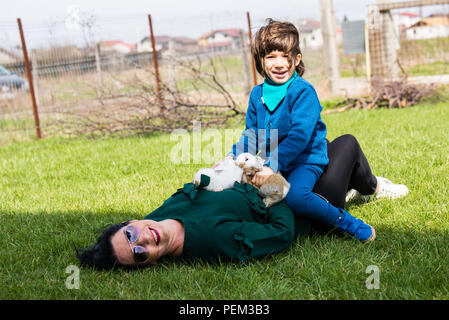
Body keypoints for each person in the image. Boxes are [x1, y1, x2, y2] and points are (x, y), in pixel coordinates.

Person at [77, 134, 408, 270]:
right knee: (345, 145)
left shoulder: (158, 217)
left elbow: (203, 185)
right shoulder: (213, 243)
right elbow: (281, 234)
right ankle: (371, 187)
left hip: (259, 175)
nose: (144, 240)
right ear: (147, 263)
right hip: (302, 205)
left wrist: (228, 166)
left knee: (298, 138)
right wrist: (270, 185)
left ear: (131, 223)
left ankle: (353, 184)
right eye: (138, 254)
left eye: (131, 235)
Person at [218, 19, 408, 243]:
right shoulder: (256, 95)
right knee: (252, 195)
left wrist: (271, 166)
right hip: (274, 163)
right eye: (271, 57)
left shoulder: (303, 91)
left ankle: (349, 223)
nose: (278, 63)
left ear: (296, 59)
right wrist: (231, 159)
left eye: (284, 56)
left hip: (304, 160)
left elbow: (299, 136)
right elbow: (251, 134)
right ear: (261, 61)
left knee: (296, 197)